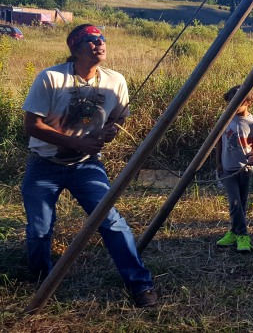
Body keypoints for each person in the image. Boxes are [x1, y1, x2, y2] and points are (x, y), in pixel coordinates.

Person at [21, 24, 157, 307]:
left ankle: (140, 285)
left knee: (112, 222)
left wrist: (110, 131)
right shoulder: (51, 78)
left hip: (86, 166)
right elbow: (31, 126)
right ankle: (42, 277)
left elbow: (119, 116)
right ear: (75, 49)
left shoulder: (115, 80)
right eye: (91, 40)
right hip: (43, 165)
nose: (100, 43)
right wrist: (77, 143)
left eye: (102, 39)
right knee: (39, 231)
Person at [215, 85, 253, 252]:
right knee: (234, 203)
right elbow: (219, 142)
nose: (232, 105)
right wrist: (218, 163)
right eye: (230, 101)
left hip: (245, 169)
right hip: (228, 168)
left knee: (241, 203)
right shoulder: (225, 120)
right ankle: (243, 236)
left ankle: (234, 232)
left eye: (238, 102)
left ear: (249, 102)